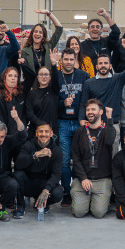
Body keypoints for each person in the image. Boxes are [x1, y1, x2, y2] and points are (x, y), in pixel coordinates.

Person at [70, 99, 116, 218]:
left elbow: (110, 141)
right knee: (79, 212)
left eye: (93, 109)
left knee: (98, 213)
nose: (90, 112)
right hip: (83, 179)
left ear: (101, 112)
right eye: (88, 110)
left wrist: (109, 118)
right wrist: (83, 178)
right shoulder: (80, 131)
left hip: (102, 180)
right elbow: (75, 157)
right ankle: (86, 198)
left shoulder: (108, 129)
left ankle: (94, 199)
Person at [55, 48, 88, 205]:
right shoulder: (56, 76)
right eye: (66, 59)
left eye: (71, 59)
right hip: (62, 122)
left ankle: (79, 190)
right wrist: (63, 103)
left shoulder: (83, 75)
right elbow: (51, 100)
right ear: (61, 60)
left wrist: (83, 118)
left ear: (75, 60)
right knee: (64, 160)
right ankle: (67, 191)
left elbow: (86, 100)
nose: (68, 62)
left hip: (80, 122)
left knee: (80, 158)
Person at [12, 123, 64, 217]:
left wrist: (46, 190)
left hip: (44, 184)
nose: (43, 134)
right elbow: (18, 164)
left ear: (51, 133)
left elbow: (56, 174)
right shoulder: (28, 145)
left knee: (58, 192)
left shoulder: (57, 151)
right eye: (40, 131)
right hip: (29, 183)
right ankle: (20, 204)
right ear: (36, 133)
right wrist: (35, 155)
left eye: (46, 132)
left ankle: (42, 202)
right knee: (17, 175)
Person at [19, 9, 64, 89]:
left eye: (40, 32)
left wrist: (49, 14)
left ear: (43, 36)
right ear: (32, 34)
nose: (38, 34)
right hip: (32, 88)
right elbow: (26, 73)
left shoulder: (48, 46)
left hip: (48, 87)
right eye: (35, 31)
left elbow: (59, 29)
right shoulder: (25, 52)